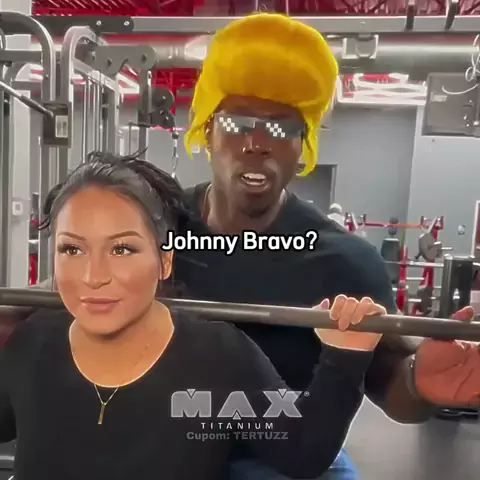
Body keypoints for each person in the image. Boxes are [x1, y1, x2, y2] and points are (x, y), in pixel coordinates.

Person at [0, 11, 479, 480]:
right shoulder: (158, 225)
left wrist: (421, 382)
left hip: (276, 444)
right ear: (208, 129)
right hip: (162, 433)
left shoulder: (344, 262)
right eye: (238, 123)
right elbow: (92, 277)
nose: (257, 144)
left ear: (303, 145)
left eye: (282, 129)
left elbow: (390, 380)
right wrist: (17, 314)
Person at [0, 152, 389, 480]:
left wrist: (344, 357)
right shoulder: (32, 343)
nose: (93, 276)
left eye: (122, 249)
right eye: (72, 249)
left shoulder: (218, 356)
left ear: (165, 260)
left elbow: (302, 451)